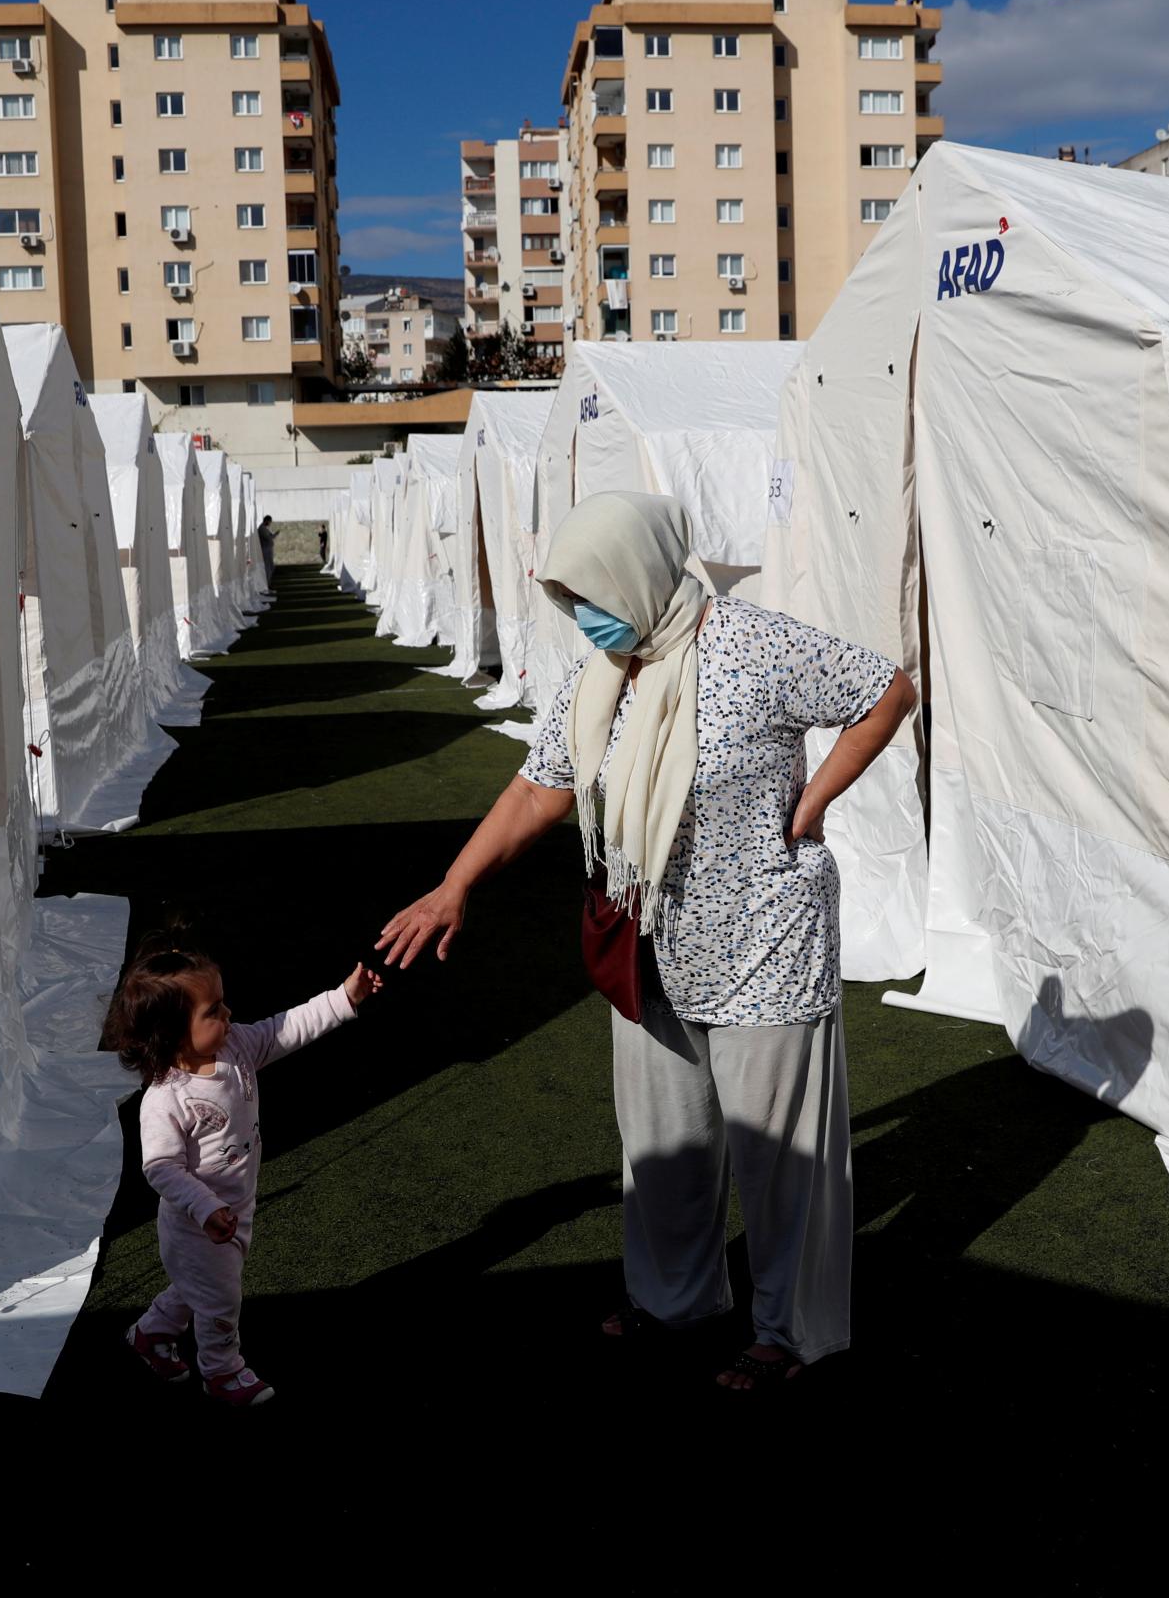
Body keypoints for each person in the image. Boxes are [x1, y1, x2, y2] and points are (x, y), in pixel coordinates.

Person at [376, 492, 916, 1390]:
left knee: (782, 1164)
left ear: (640, 573)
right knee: (664, 1149)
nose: (582, 613)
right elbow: (535, 788)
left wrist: (813, 802)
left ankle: (788, 1331)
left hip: (764, 948)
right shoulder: (602, 672)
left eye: (591, 591)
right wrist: (454, 883)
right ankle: (676, 1299)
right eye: (568, 595)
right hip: (650, 946)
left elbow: (885, 691)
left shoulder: (757, 645)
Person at [106, 944, 385, 1407]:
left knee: (200, 1284)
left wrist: (344, 998)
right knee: (220, 1301)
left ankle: (151, 1332)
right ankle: (222, 1371)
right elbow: (161, 1168)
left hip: (236, 1207)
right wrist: (206, 1206)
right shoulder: (166, 1100)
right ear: (173, 1035)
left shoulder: (235, 1048)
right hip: (198, 1226)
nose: (229, 1013)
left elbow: (285, 1028)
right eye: (213, 1010)